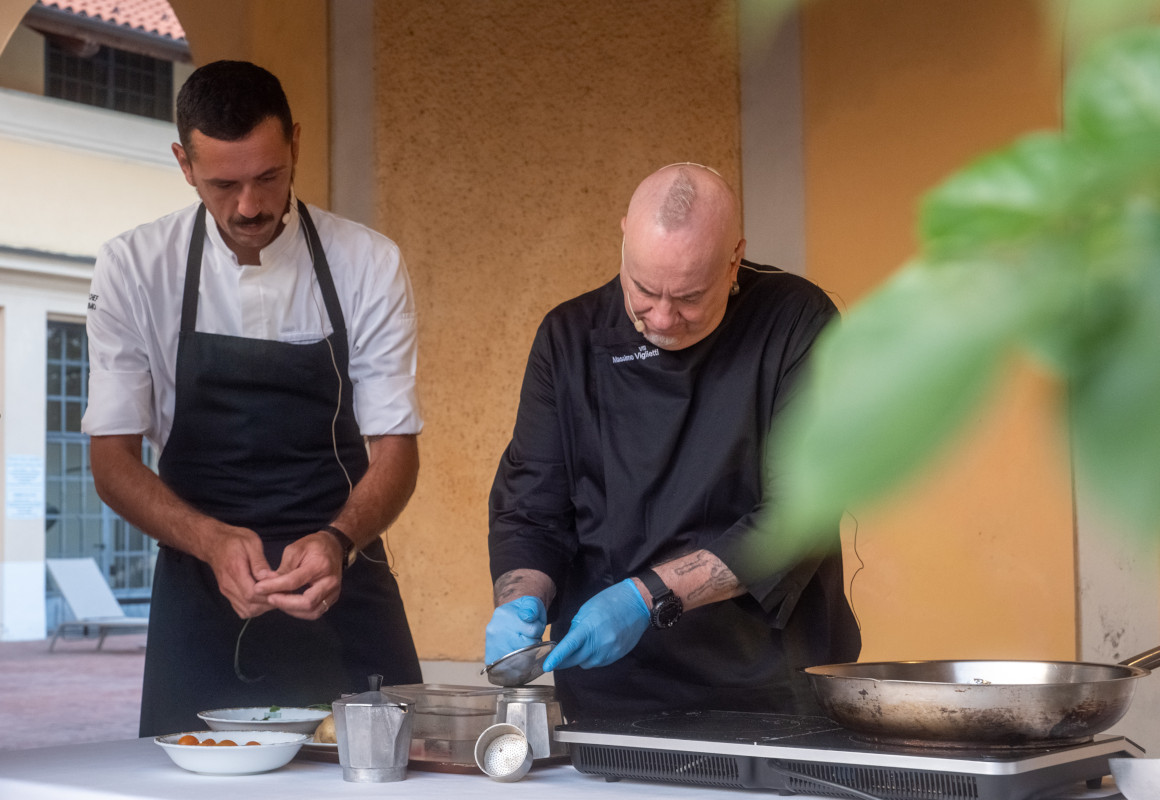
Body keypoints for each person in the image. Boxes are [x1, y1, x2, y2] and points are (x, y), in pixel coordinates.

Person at [83, 61, 422, 736]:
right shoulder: (133, 267)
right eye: (223, 183)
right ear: (183, 163)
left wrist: (337, 539)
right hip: (200, 591)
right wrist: (210, 541)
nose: (250, 205)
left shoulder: (368, 262)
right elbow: (112, 461)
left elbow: (396, 451)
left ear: (294, 142)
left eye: (268, 176)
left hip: (343, 583)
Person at [485, 163, 861, 721]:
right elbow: (533, 509)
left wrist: (646, 597)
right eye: (642, 289)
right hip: (609, 694)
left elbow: (798, 515)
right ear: (622, 239)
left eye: (689, 297)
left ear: (735, 259)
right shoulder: (568, 338)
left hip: (766, 692)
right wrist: (520, 600)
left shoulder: (795, 323)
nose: (662, 317)